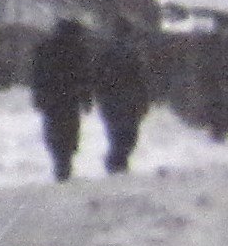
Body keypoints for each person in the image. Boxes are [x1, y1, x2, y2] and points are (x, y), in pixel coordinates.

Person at [28, 15, 95, 181]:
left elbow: (36, 75)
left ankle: (60, 160)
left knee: (54, 130)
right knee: (69, 131)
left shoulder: (44, 48)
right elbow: (84, 76)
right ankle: (64, 161)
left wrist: (38, 96)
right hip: (69, 98)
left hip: (52, 99)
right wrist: (86, 98)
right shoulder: (78, 49)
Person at [92, 14, 151, 174]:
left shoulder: (105, 53)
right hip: (127, 101)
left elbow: (97, 78)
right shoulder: (132, 54)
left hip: (112, 102)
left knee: (117, 135)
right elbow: (140, 80)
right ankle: (117, 164)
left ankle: (116, 164)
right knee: (127, 137)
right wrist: (143, 101)